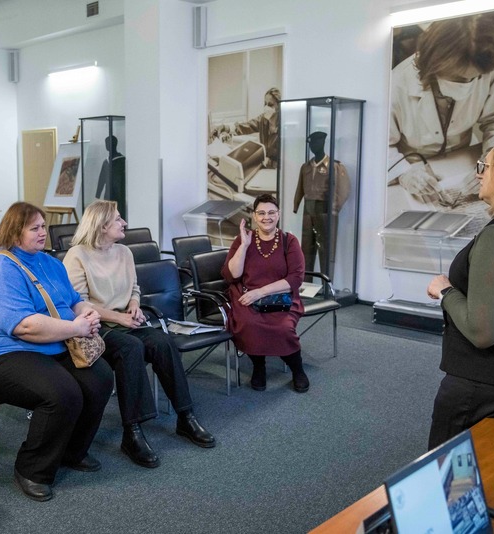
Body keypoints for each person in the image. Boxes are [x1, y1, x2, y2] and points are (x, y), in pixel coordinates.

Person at [0, 202, 113, 502]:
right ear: (14, 233)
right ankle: (32, 469)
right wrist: (76, 327)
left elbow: (74, 300)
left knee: (99, 378)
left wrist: (87, 312)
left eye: (44, 226)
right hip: (4, 352)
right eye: (34, 228)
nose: (42, 233)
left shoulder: (50, 263)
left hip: (53, 343)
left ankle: (72, 452)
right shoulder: (0, 270)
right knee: (62, 393)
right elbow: (23, 327)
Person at [63, 200, 215, 469]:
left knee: (163, 342)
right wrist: (118, 317)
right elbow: (79, 304)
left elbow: (134, 288)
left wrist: (134, 305)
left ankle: (186, 417)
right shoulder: (77, 255)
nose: (124, 223)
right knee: (131, 348)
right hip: (96, 328)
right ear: (102, 225)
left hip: (126, 321)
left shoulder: (124, 252)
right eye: (118, 219)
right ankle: (132, 432)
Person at [426, 135, 494, 449]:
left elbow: (483, 332)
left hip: (483, 388)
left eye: (486, 165)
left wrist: (445, 291)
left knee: (449, 475)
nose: (479, 173)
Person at [388, 11, 494, 203]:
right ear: (436, 63)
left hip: (461, 161)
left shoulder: (492, 65)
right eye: (459, 78)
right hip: (412, 165)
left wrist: (488, 164)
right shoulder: (397, 84)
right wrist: (404, 173)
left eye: (475, 78)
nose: (466, 86)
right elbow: (380, 145)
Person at [221, 193, 308, 392]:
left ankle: (297, 369)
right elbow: (232, 275)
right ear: (254, 215)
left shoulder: (289, 241)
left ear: (278, 214)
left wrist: (261, 292)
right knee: (249, 324)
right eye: (261, 213)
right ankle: (258, 366)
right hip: (247, 297)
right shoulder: (243, 239)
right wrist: (244, 246)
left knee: (283, 328)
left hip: (281, 298)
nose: (266, 217)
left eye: (271, 212)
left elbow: (296, 278)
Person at [293, 131, 350, 276]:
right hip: (308, 211)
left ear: (322, 143)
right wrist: (296, 205)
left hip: (325, 211)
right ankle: (306, 283)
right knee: (306, 249)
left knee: (326, 250)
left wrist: (334, 208)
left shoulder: (334, 167)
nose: (312, 146)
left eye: (315, 143)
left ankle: (326, 284)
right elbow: (300, 188)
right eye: (311, 144)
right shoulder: (305, 167)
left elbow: (343, 189)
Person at [233, 87, 281, 169]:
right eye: (265, 104)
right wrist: (227, 128)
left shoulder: (284, 126)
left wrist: (271, 162)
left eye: (270, 105)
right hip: (265, 166)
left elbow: (287, 159)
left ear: (279, 106)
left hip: (278, 170)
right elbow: (247, 126)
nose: (266, 107)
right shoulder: (263, 120)